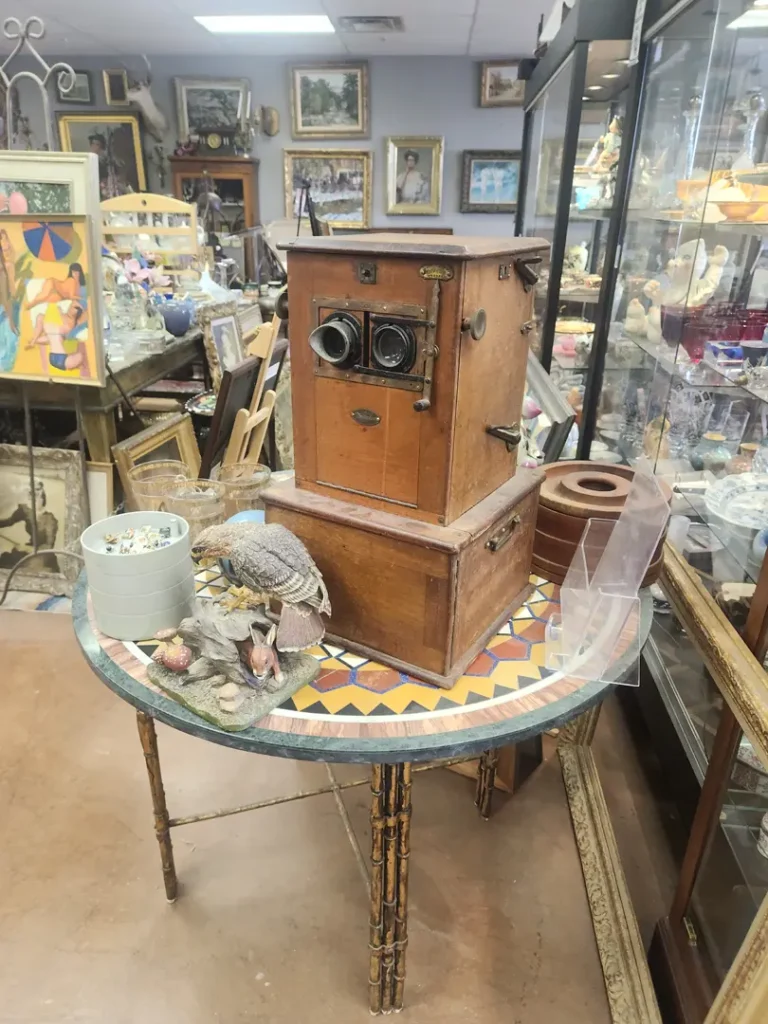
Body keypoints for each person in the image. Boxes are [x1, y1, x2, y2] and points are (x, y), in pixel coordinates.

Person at [23, 263, 91, 378]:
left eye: (77, 272)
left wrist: (34, 340)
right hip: (60, 357)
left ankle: (32, 306)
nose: (75, 274)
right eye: (74, 272)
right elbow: (71, 298)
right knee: (81, 357)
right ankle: (31, 304)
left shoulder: (66, 323)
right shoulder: (72, 283)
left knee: (44, 302)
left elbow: (76, 309)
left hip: (56, 356)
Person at [0, 479, 60, 573]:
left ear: (43, 497)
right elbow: (8, 522)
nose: (34, 499)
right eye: (31, 495)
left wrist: (27, 548)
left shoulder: (50, 520)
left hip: (43, 555)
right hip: (27, 550)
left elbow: (48, 546)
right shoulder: (26, 511)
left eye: (38, 496)